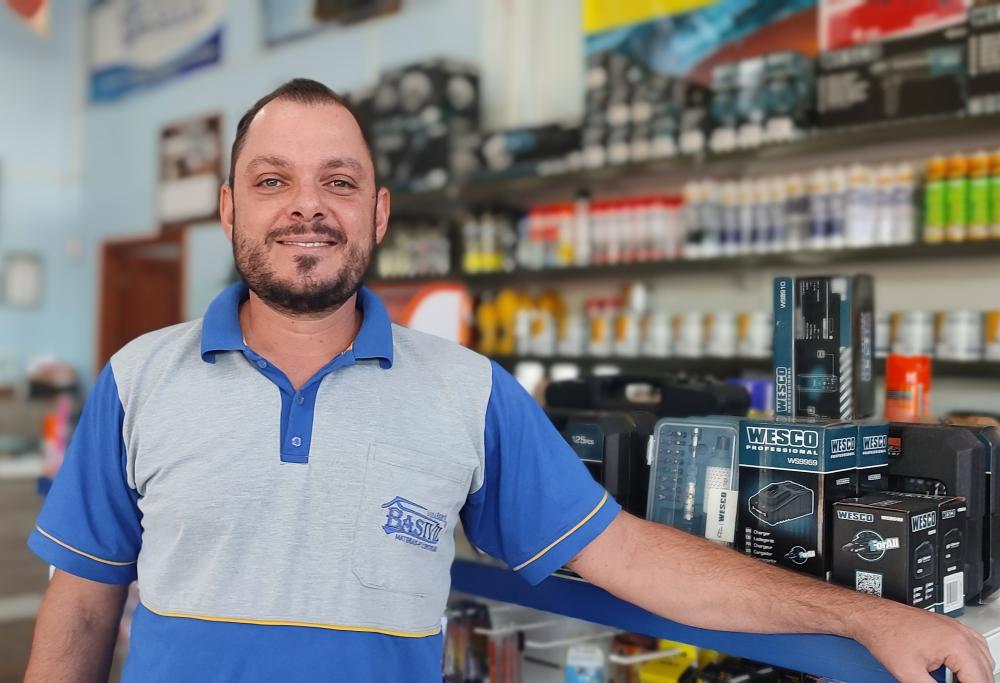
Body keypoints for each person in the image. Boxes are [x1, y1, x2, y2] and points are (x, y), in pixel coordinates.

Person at [24, 79, 994, 683]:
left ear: (378, 211)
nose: (308, 206)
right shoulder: (138, 376)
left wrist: (869, 612)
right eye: (273, 180)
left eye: (340, 180)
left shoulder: (466, 389)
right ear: (230, 203)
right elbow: (80, 606)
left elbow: (628, 554)